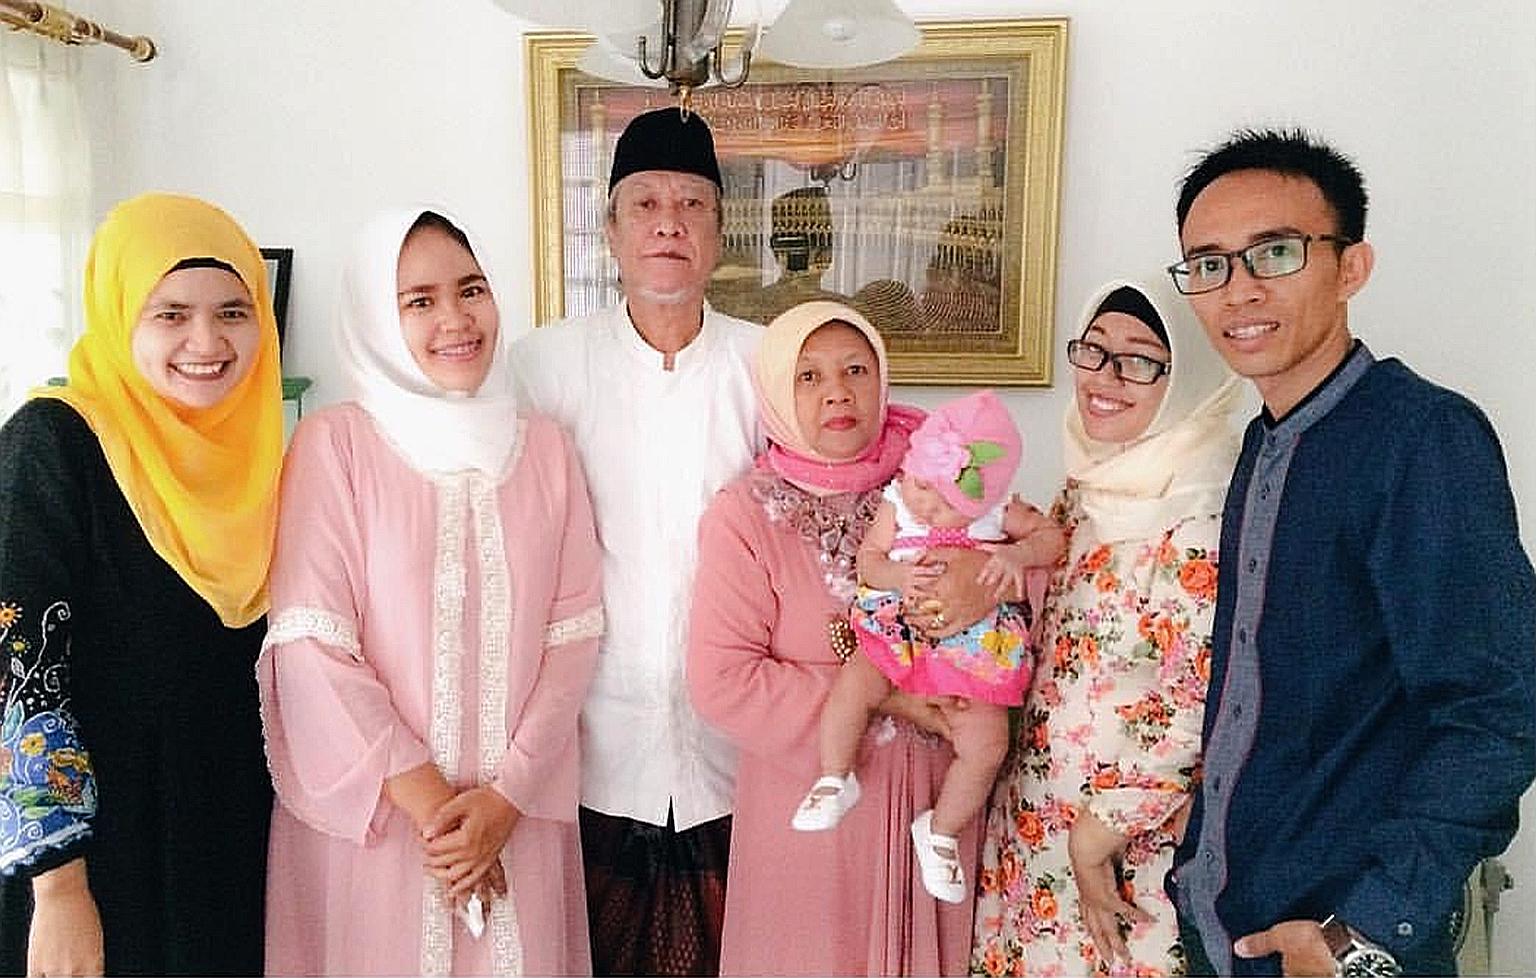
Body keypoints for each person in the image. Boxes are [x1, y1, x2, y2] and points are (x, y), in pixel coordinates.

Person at [1167, 129, 1536, 977]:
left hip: (1334, 939)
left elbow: (1496, 709)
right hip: (1235, 923)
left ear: (1351, 268)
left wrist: (1367, 929)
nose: (1239, 289)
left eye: (1275, 253)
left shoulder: (1421, 437)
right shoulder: (1263, 444)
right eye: (1210, 264)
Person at [259, 207, 602, 976]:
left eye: (471, 289)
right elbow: (312, 644)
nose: (455, 318)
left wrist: (504, 802)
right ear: (378, 317)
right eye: (419, 300)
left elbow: (574, 638)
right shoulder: (336, 445)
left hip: (518, 819)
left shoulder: (545, 448)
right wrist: (445, 822)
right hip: (383, 826)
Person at [0, 193, 283, 974]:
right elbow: (20, 679)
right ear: (121, 316)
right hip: (95, 861)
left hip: (228, 839)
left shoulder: (262, 463)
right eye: (171, 315)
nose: (207, 342)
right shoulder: (53, 444)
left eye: (233, 312)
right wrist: (59, 890)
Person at [511, 107, 760, 977]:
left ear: (719, 232)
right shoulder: (542, 367)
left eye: (692, 205)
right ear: (610, 231)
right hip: (590, 742)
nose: (668, 223)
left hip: (739, 748)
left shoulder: (769, 366)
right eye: (645, 203)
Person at [687, 299, 982, 976]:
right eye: (809, 376)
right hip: (814, 806)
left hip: (939, 802)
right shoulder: (746, 516)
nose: (838, 392)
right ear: (777, 394)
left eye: (856, 369)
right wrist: (895, 701)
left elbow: (1010, 591)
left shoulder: (942, 489)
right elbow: (722, 680)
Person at [971, 280, 1242, 977]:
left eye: (1140, 360)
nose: (1104, 377)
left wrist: (1097, 837)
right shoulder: (1089, 488)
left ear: (1188, 379)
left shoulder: (1201, 517)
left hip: (1128, 845)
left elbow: (1201, 701)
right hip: (1037, 822)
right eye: (1093, 350)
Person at [792, 389, 1062, 907]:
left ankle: (940, 831)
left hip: (972, 649)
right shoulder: (899, 504)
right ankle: (834, 777)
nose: (924, 503)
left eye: (943, 501)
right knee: (855, 686)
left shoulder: (998, 511)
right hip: (899, 629)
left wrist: (1019, 556)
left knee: (987, 745)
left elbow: (1052, 538)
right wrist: (896, 575)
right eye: (919, 485)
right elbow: (869, 561)